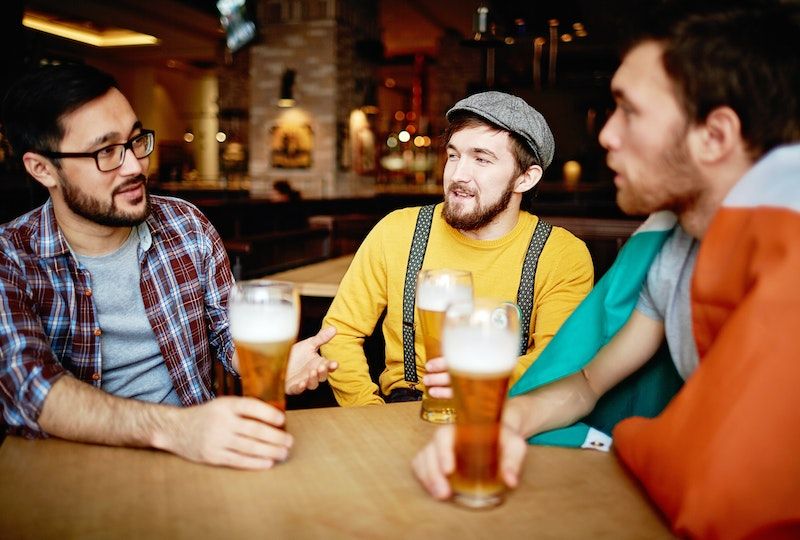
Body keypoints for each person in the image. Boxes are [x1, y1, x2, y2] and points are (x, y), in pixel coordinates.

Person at [413, 4, 800, 538]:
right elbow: (590, 381)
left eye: (629, 111)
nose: (606, 135)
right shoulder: (675, 248)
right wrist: (506, 422)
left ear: (715, 135)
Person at [0, 63, 337, 470]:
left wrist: (274, 364)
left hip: (199, 458)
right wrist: (178, 429)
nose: (135, 166)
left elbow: (227, 333)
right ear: (42, 169)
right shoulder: (11, 257)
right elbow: (32, 388)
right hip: (70, 472)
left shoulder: (186, 225)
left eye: (137, 140)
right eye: (106, 151)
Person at [321, 91, 594, 406]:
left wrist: (481, 381)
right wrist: (367, 411)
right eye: (453, 155)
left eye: (481, 159)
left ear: (525, 178)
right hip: (407, 405)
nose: (458, 175)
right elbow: (338, 334)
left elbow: (556, 360)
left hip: (506, 411)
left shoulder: (561, 254)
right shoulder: (397, 231)